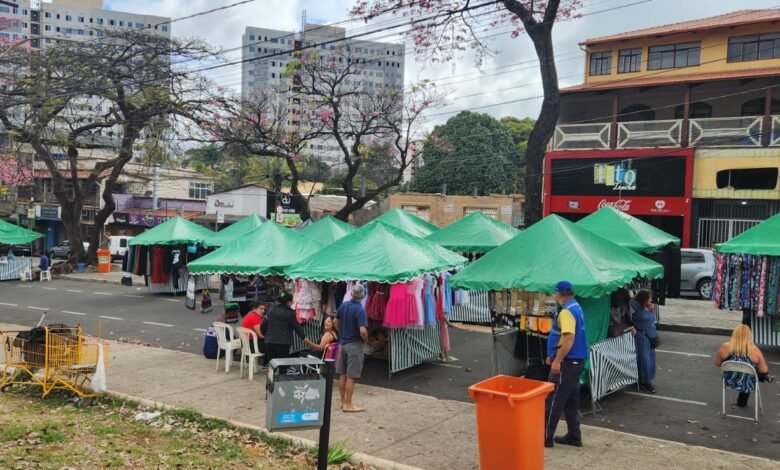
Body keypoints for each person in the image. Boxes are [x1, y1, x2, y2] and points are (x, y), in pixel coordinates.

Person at [544, 281, 588, 448]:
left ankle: (545, 436)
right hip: (576, 362)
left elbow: (569, 339)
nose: (554, 296)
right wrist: (553, 354)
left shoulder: (566, 312)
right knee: (571, 400)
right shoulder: (577, 307)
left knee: (553, 400)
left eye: (555, 293)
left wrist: (557, 360)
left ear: (560, 293)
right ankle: (574, 435)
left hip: (567, 362)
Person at [715, 324, 773, 408]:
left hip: (729, 380)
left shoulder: (725, 346)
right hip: (747, 383)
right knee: (753, 373)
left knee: (746, 371)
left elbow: (717, 363)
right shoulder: (754, 350)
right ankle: (743, 401)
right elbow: (763, 369)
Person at [335, 283, 369, 412]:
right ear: (362, 295)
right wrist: (365, 340)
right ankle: (348, 404)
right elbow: (363, 330)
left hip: (343, 343)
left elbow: (335, 321)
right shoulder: (359, 309)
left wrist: (340, 333)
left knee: (342, 374)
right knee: (351, 375)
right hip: (354, 344)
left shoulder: (343, 306)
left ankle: (343, 402)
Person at [262, 291, 315, 367]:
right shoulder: (290, 313)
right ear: (289, 302)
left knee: (272, 366)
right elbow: (297, 328)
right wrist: (305, 339)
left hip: (269, 342)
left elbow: (263, 326)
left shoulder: (271, 310)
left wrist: (266, 336)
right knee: (283, 366)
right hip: (283, 343)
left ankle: (272, 378)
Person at [630, 289, 659, 394]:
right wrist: (632, 327)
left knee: (650, 358)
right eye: (649, 297)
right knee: (644, 359)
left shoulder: (647, 307)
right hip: (642, 336)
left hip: (651, 336)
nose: (651, 299)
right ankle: (644, 382)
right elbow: (628, 317)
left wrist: (651, 310)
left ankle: (647, 379)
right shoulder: (634, 305)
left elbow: (652, 319)